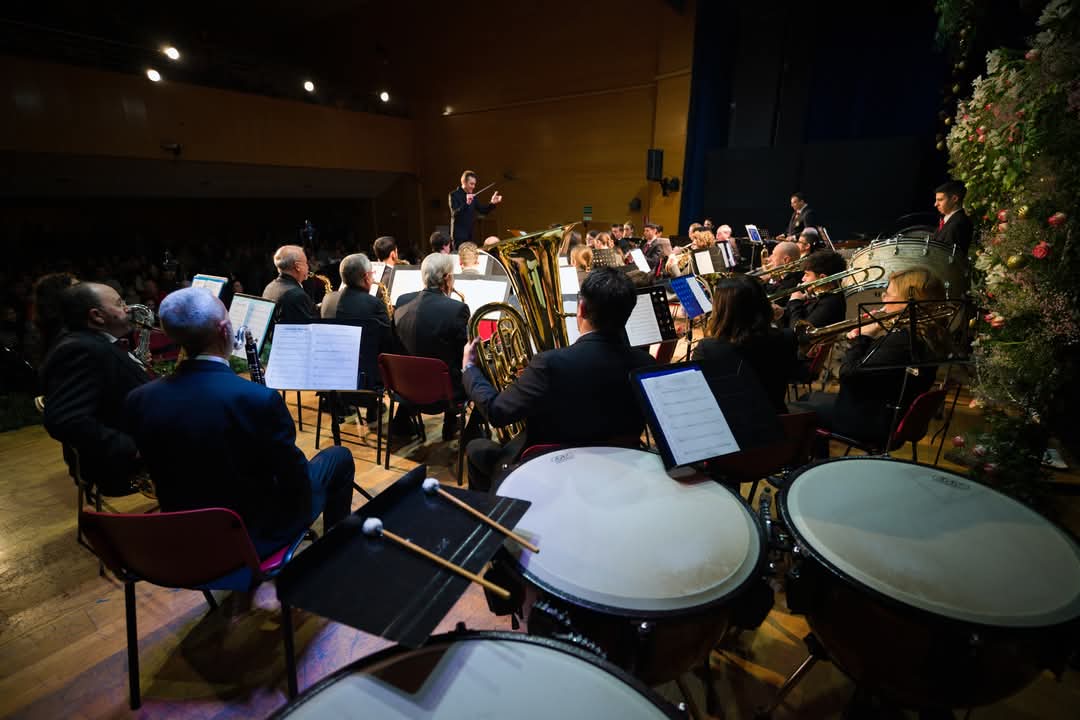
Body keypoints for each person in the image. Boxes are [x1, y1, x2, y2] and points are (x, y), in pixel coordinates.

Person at [125, 287, 354, 555]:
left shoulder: (138, 399)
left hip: (185, 533)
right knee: (338, 456)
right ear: (224, 330)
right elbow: (296, 483)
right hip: (254, 535)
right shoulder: (257, 400)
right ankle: (337, 554)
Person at [462, 268, 655, 492]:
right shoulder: (647, 363)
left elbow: (496, 412)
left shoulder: (549, 364)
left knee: (476, 447)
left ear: (581, 308)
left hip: (549, 467)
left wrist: (469, 369)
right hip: (619, 464)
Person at [792, 267, 946, 449]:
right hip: (879, 411)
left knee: (793, 411)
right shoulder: (929, 335)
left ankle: (805, 469)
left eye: (888, 294)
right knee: (808, 398)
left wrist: (863, 337)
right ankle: (816, 462)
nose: (883, 299)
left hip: (870, 422)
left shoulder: (903, 341)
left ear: (909, 302)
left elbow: (848, 375)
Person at [41, 282, 150, 495]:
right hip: (124, 468)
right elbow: (64, 419)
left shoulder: (88, 341)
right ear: (97, 316)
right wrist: (132, 449)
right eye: (120, 303)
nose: (127, 308)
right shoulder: (81, 350)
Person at [392, 253, 472, 440]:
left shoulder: (402, 301)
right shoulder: (456, 309)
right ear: (447, 278)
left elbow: (395, 345)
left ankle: (402, 421)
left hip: (406, 389)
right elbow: (463, 355)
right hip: (444, 396)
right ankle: (468, 427)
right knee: (479, 368)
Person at [692, 275, 799, 414]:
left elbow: (699, 393)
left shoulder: (708, 348)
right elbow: (791, 373)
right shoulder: (787, 337)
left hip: (731, 425)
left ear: (722, 311)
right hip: (776, 422)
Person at [321, 253, 392, 394]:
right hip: (365, 378)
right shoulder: (374, 304)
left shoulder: (328, 298)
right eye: (372, 274)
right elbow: (388, 342)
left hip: (330, 372)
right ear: (366, 277)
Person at [779, 250, 847, 330]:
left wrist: (795, 302)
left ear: (822, 278)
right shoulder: (816, 294)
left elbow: (798, 333)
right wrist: (781, 313)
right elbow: (790, 321)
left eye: (807, 275)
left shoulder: (831, 303)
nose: (803, 278)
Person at [262, 245, 317, 328]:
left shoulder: (270, 287)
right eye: (306, 263)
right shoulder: (297, 295)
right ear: (298, 266)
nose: (308, 266)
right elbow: (309, 328)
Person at [449, 170, 503, 248]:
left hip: (470, 236)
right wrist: (467, 203)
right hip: (459, 237)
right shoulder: (454, 195)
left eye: (474, 184)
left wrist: (492, 203)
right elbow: (455, 213)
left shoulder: (472, 196)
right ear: (464, 182)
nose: (473, 186)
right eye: (471, 184)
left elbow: (483, 211)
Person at [933, 180, 974, 254]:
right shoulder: (949, 220)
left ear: (954, 199)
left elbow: (946, 256)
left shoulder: (959, 223)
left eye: (940, 200)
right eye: (936, 200)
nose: (935, 204)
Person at [763, 241, 803, 307]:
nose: (770, 258)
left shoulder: (793, 279)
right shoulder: (786, 274)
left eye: (774, 255)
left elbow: (775, 297)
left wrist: (763, 282)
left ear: (786, 260)